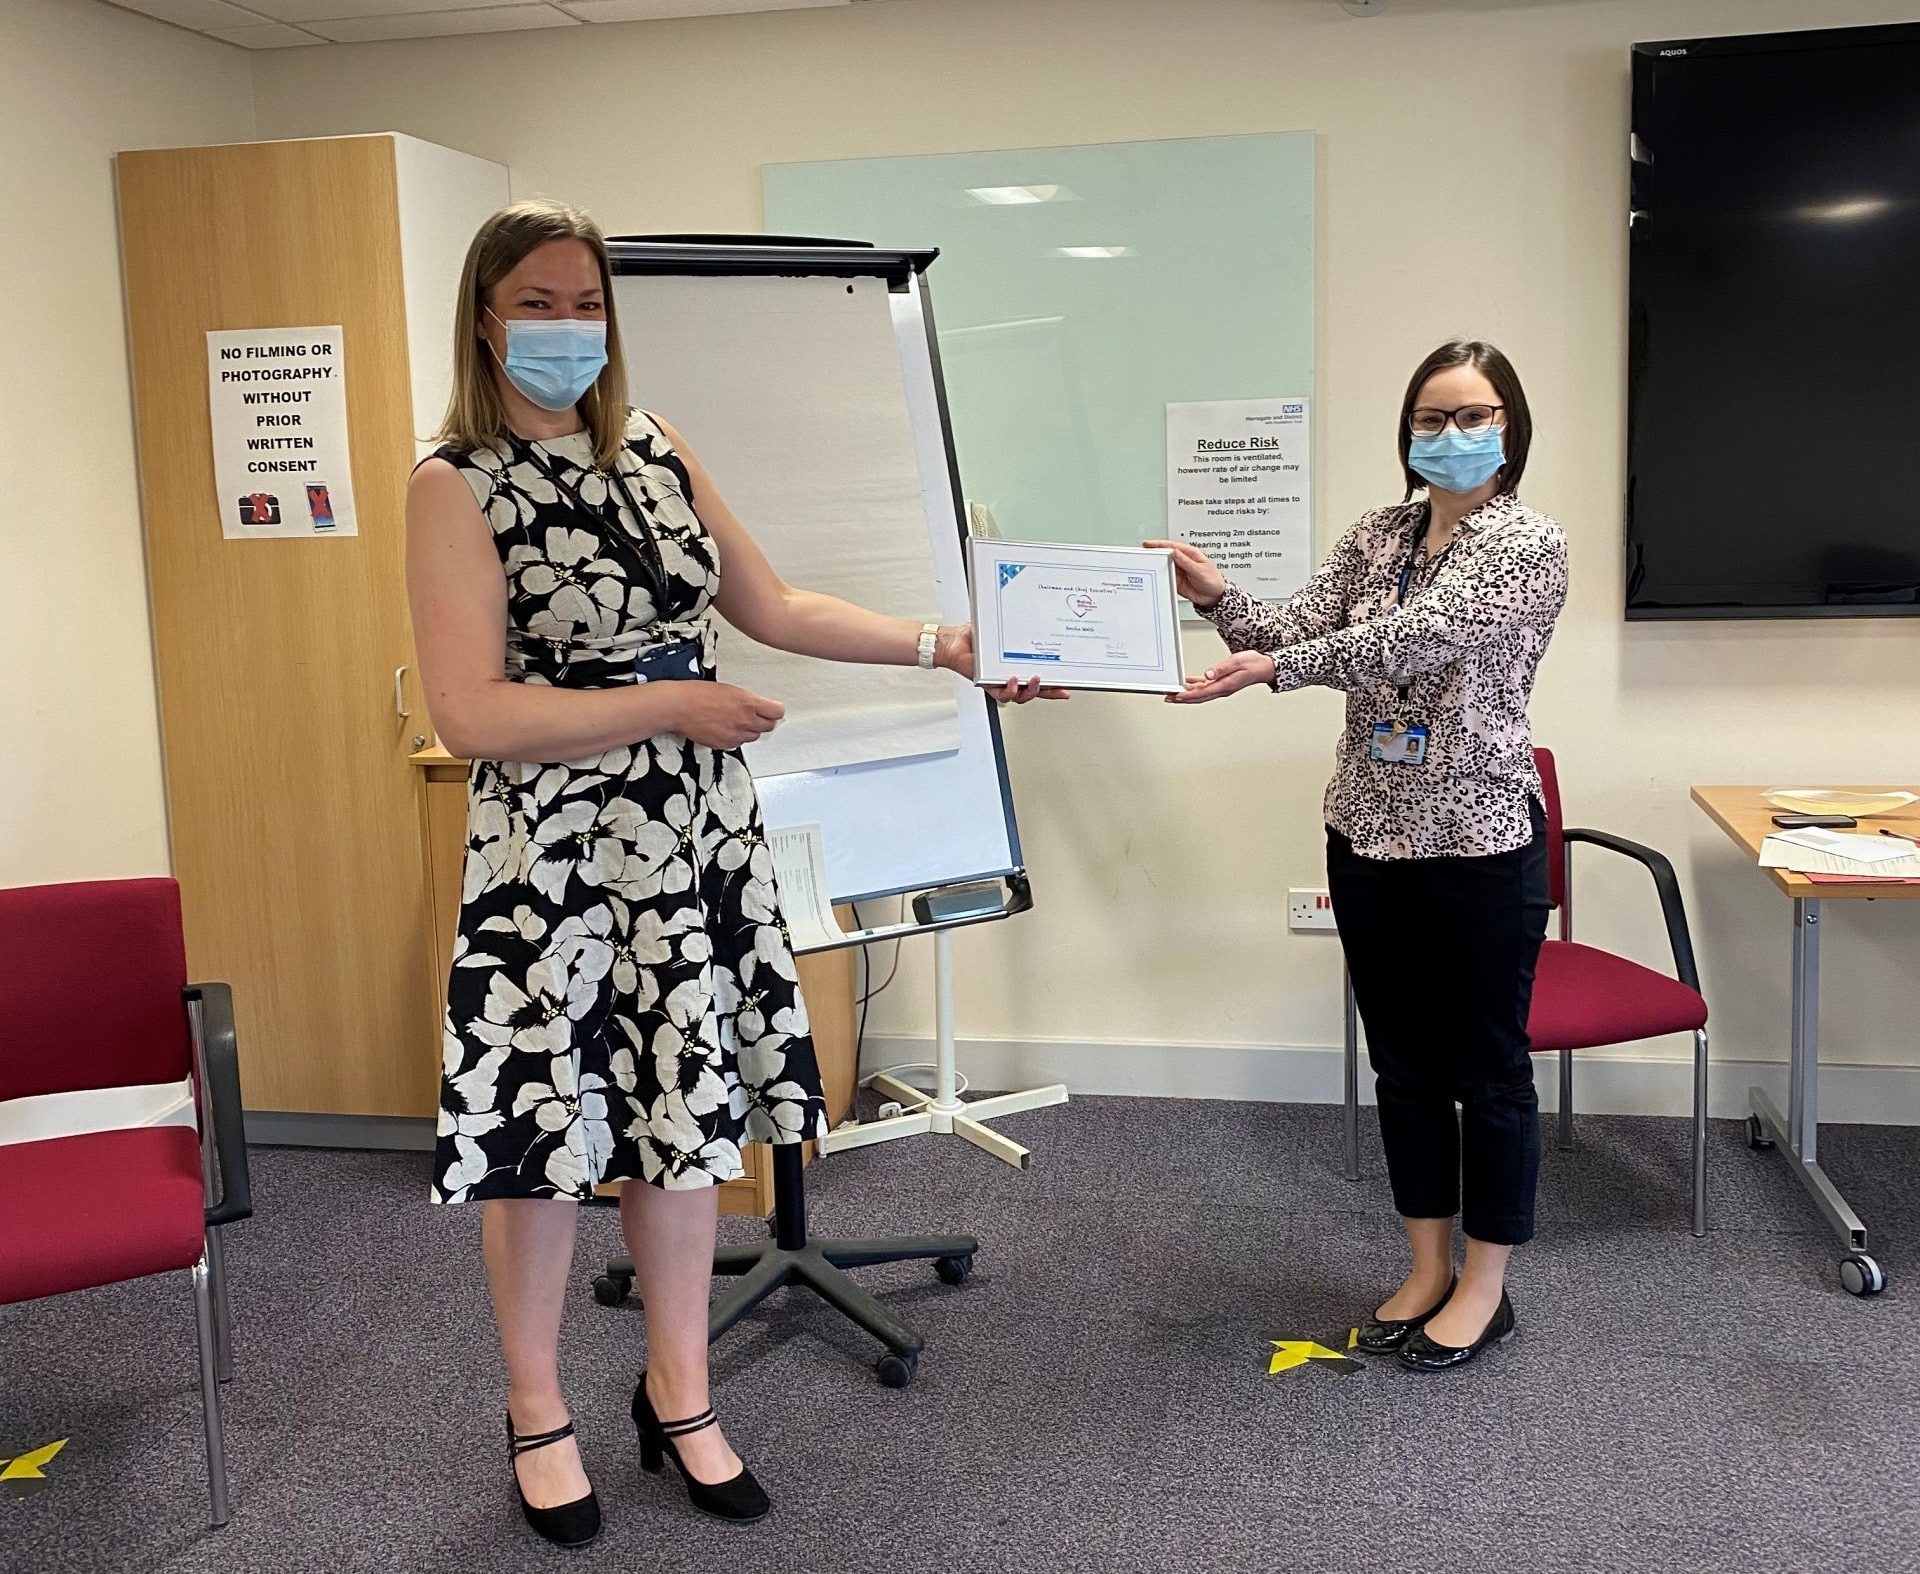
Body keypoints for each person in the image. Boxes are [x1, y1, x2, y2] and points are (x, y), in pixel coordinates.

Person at [407, 199, 1060, 1546]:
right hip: (553, 856)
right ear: (485, 317)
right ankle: (537, 1409)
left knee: (683, 1116)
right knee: (541, 1139)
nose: (568, 326)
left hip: (689, 837)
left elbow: (774, 607)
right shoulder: (454, 482)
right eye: (537, 303)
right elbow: (470, 714)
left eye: (587, 301)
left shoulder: (653, 445)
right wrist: (670, 705)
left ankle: (681, 1387)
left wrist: (946, 644)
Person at [1154, 340, 1567, 1372]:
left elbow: (1415, 639)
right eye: (1431, 417)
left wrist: (1275, 668)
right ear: (1407, 430)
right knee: (1403, 1062)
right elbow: (1285, 626)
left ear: (1510, 427)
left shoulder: (1529, 542)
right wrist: (1214, 594)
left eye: (1473, 415)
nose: (1450, 434)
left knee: (1489, 1069)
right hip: (1368, 833)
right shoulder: (1378, 534)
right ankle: (1426, 1266)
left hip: (1477, 839)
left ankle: (1485, 1285)